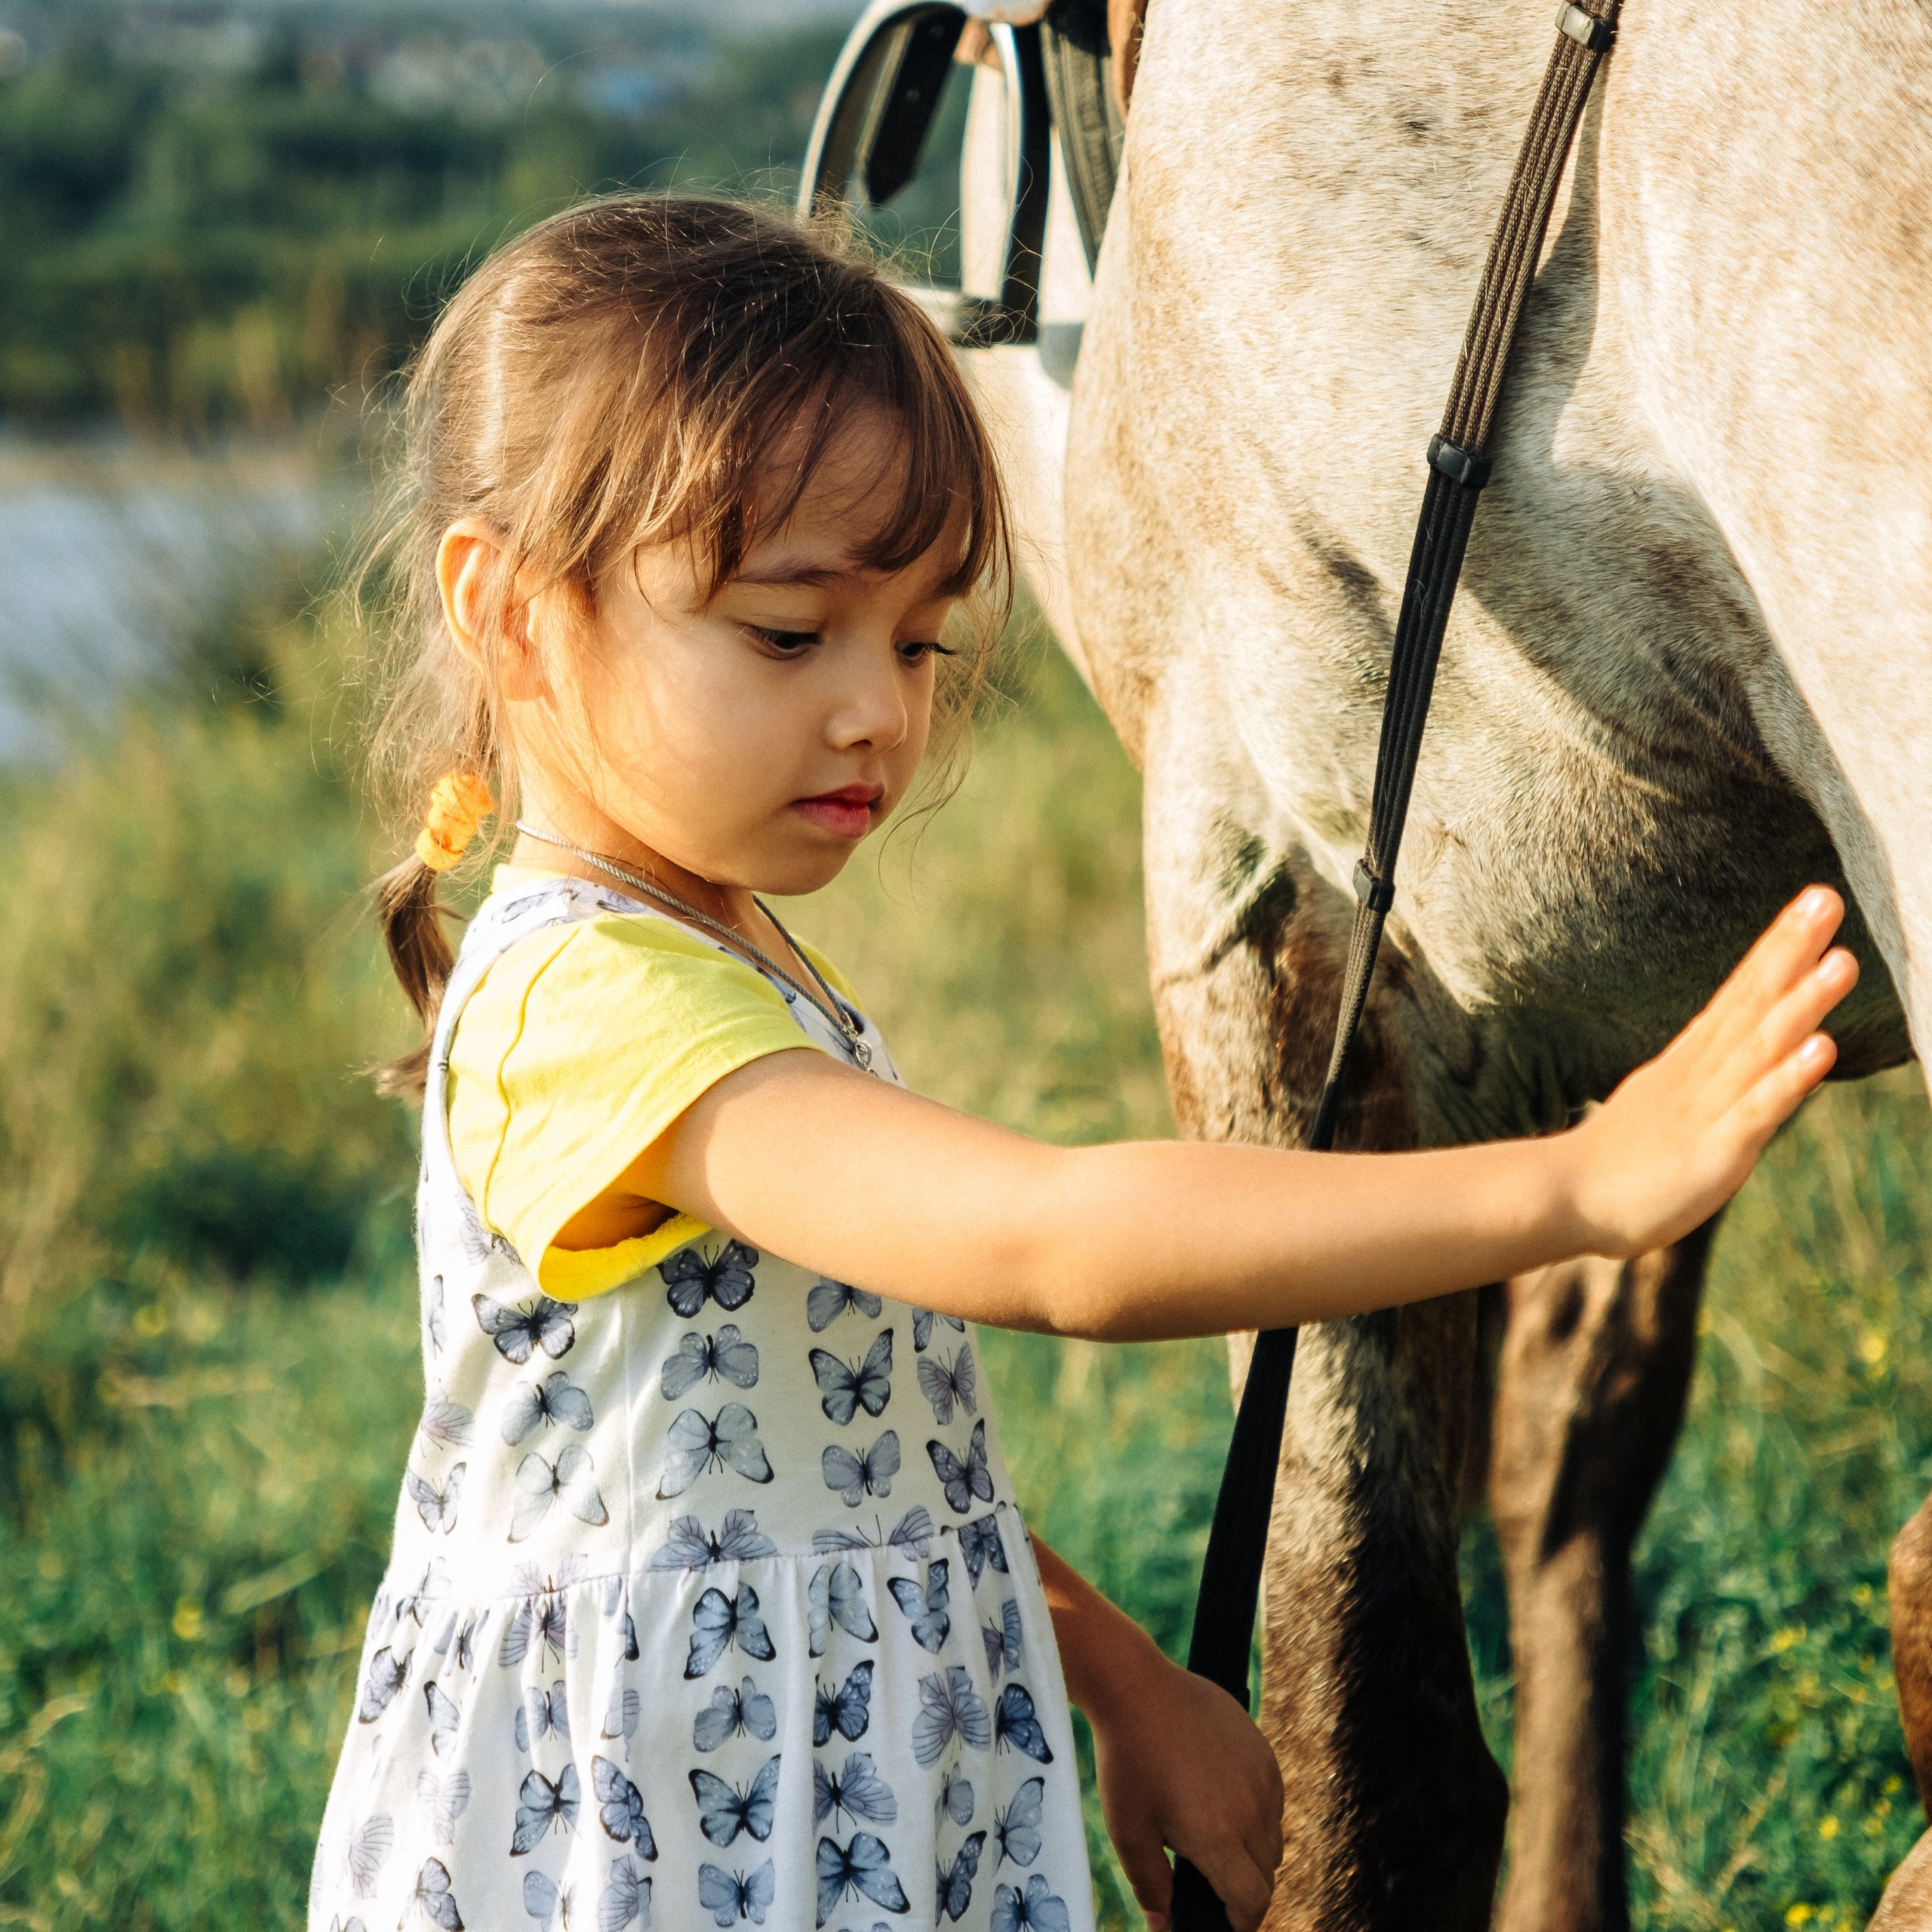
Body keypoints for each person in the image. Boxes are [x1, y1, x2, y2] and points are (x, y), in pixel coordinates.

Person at [309, 194, 1857, 1932]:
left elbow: (824, 1450)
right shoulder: (587, 1001)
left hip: (833, 1795)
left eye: (915, 638)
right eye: (785, 630)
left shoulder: (707, 945)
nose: (875, 713)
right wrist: (1571, 1184)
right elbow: (1055, 1240)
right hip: (672, 1839)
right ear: (510, 614)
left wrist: (1117, 1676)